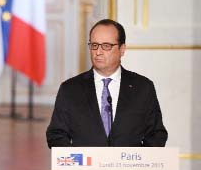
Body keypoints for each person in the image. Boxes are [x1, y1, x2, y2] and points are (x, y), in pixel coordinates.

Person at [46, 19, 167, 147]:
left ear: (122, 49)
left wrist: (138, 162)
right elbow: (56, 134)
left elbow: (156, 134)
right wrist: (76, 161)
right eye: (94, 45)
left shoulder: (143, 87)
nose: (98, 52)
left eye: (106, 46)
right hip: (85, 166)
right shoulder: (70, 89)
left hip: (129, 166)